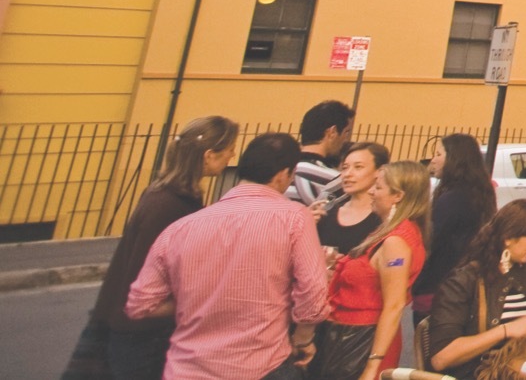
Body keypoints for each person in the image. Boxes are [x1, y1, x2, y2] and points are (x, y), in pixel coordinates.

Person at [126, 130, 329, 380]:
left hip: (187, 369)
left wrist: (199, 299)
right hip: (262, 365)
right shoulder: (295, 218)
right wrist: (303, 338)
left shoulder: (180, 229)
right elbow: (313, 291)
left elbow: (140, 304)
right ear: (283, 174)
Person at [70, 115, 237, 380]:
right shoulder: (172, 205)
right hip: (143, 331)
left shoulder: (165, 194)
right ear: (209, 155)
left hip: (129, 324)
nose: (232, 156)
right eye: (229, 149)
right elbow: (145, 269)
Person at [426, 199, 526, 373]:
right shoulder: (463, 281)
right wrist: (505, 331)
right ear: (508, 238)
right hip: (482, 372)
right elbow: (441, 358)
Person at [313, 159, 429, 380]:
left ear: (398, 196)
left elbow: (394, 305)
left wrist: (372, 366)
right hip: (348, 337)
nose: (371, 192)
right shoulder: (388, 232)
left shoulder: (396, 241)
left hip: (362, 341)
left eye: (378, 187)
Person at [414, 133, 496, 315]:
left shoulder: (452, 199)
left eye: (438, 154)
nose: (433, 160)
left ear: (455, 159)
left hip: (438, 289)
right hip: (462, 287)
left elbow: (431, 241)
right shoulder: (479, 193)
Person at [314, 142, 390, 255]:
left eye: (358, 167)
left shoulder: (385, 219)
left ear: (379, 171)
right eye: (345, 168)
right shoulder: (325, 213)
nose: (347, 174)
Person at [288, 100, 356, 208]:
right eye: (346, 132)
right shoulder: (334, 181)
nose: (346, 139)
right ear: (332, 132)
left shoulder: (281, 171)